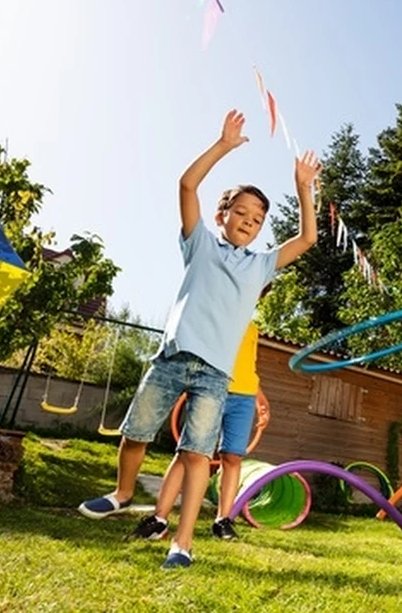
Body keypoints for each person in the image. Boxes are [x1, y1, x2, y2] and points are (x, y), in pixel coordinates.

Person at [77, 110, 319, 570]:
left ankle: (182, 542)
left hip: (214, 375)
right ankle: (124, 493)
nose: (249, 220)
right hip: (171, 358)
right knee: (134, 434)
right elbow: (187, 186)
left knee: (195, 457)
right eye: (241, 212)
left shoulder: (261, 265)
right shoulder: (200, 243)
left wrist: (302, 187)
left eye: (258, 217)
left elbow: (307, 238)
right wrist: (223, 145)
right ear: (222, 215)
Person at [127, 286, 272, 543]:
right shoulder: (215, 319)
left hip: (244, 397)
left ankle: (223, 521)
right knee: (188, 453)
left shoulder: (252, 329)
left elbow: (248, 366)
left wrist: (260, 398)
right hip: (213, 390)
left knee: (232, 457)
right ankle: (159, 519)